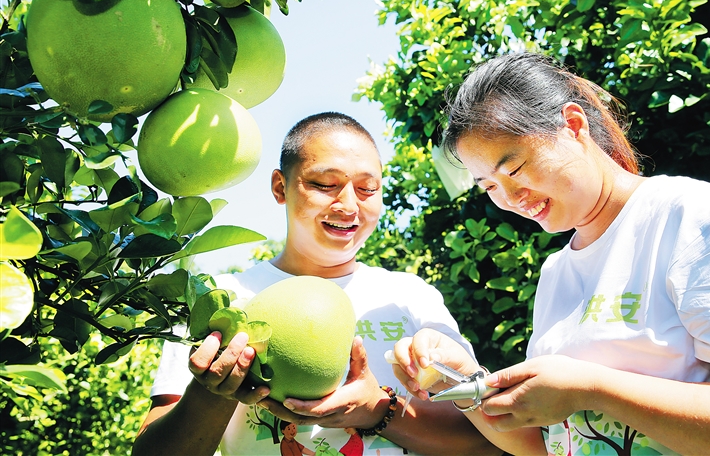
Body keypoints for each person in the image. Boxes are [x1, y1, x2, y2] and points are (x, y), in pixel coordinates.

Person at [390, 52, 710, 456]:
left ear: (573, 126)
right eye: (489, 187)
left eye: (514, 169)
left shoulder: (698, 219)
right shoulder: (556, 272)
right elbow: (542, 443)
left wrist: (593, 389)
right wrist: (458, 379)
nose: (512, 198)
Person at [133, 112, 500, 456]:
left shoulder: (410, 297)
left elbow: (490, 441)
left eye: (368, 189)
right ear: (281, 187)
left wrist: (376, 410)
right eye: (325, 184)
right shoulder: (223, 299)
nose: (349, 205)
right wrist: (212, 393)